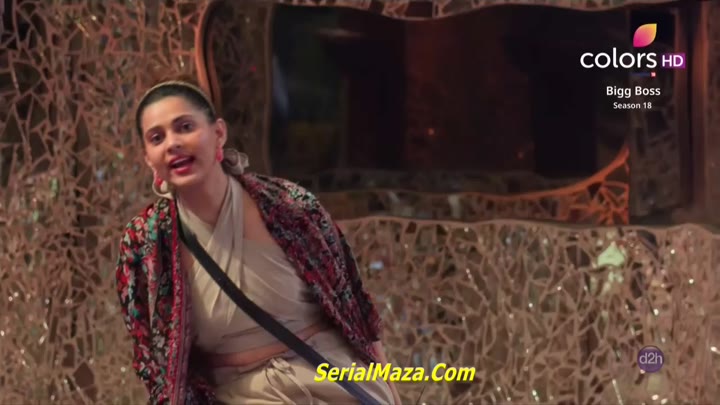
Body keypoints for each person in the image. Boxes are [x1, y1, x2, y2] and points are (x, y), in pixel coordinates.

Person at [115, 76, 401, 405]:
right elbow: (152, 360)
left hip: (333, 377)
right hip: (237, 394)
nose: (172, 143)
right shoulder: (145, 243)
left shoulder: (289, 206)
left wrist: (391, 392)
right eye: (157, 137)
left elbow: (358, 310)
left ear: (218, 133)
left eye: (185, 127)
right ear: (148, 158)